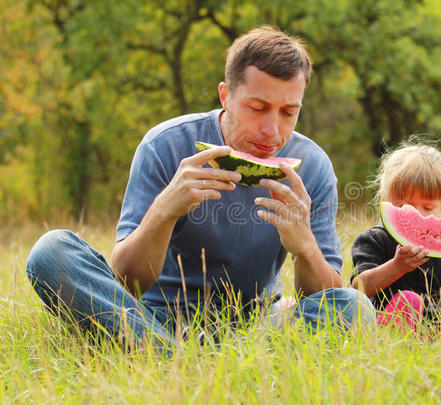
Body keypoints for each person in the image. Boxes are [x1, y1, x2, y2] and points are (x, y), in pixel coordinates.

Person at [25, 26, 374, 350]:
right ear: (225, 95)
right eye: (258, 108)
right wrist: (165, 210)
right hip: (156, 318)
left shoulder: (311, 166)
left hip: (259, 326)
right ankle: (174, 352)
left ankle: (162, 358)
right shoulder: (164, 146)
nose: (273, 130)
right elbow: (126, 283)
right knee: (51, 251)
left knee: (354, 307)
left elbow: (324, 296)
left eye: (288, 112)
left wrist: (306, 248)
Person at [350, 142, 441, 333]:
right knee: (408, 300)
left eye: (428, 208)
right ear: (383, 200)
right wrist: (397, 266)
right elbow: (359, 287)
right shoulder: (374, 239)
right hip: (394, 321)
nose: (416, 215)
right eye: (403, 206)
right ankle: (400, 344)